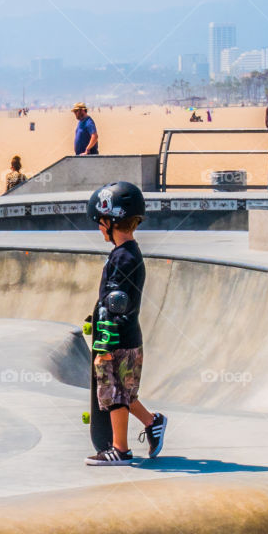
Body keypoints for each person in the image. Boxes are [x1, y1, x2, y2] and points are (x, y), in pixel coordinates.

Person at [84, 181, 167, 466]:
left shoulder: (122, 257)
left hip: (117, 338)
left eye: (100, 222)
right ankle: (153, 422)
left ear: (112, 221)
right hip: (129, 335)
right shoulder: (129, 252)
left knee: (113, 392)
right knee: (124, 391)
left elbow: (116, 302)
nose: (98, 228)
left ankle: (120, 449)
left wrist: (104, 342)